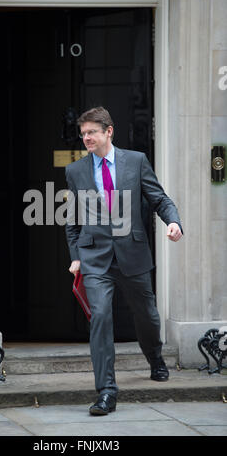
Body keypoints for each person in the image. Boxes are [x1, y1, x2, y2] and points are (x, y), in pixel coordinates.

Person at [65, 107, 183, 416]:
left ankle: (155, 358)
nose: (86, 137)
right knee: (101, 316)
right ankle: (106, 391)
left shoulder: (136, 161)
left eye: (91, 131)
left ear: (108, 131)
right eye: (84, 133)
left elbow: (160, 199)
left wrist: (173, 222)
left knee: (146, 315)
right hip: (94, 258)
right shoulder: (75, 171)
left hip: (132, 252)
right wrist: (76, 256)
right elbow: (72, 221)